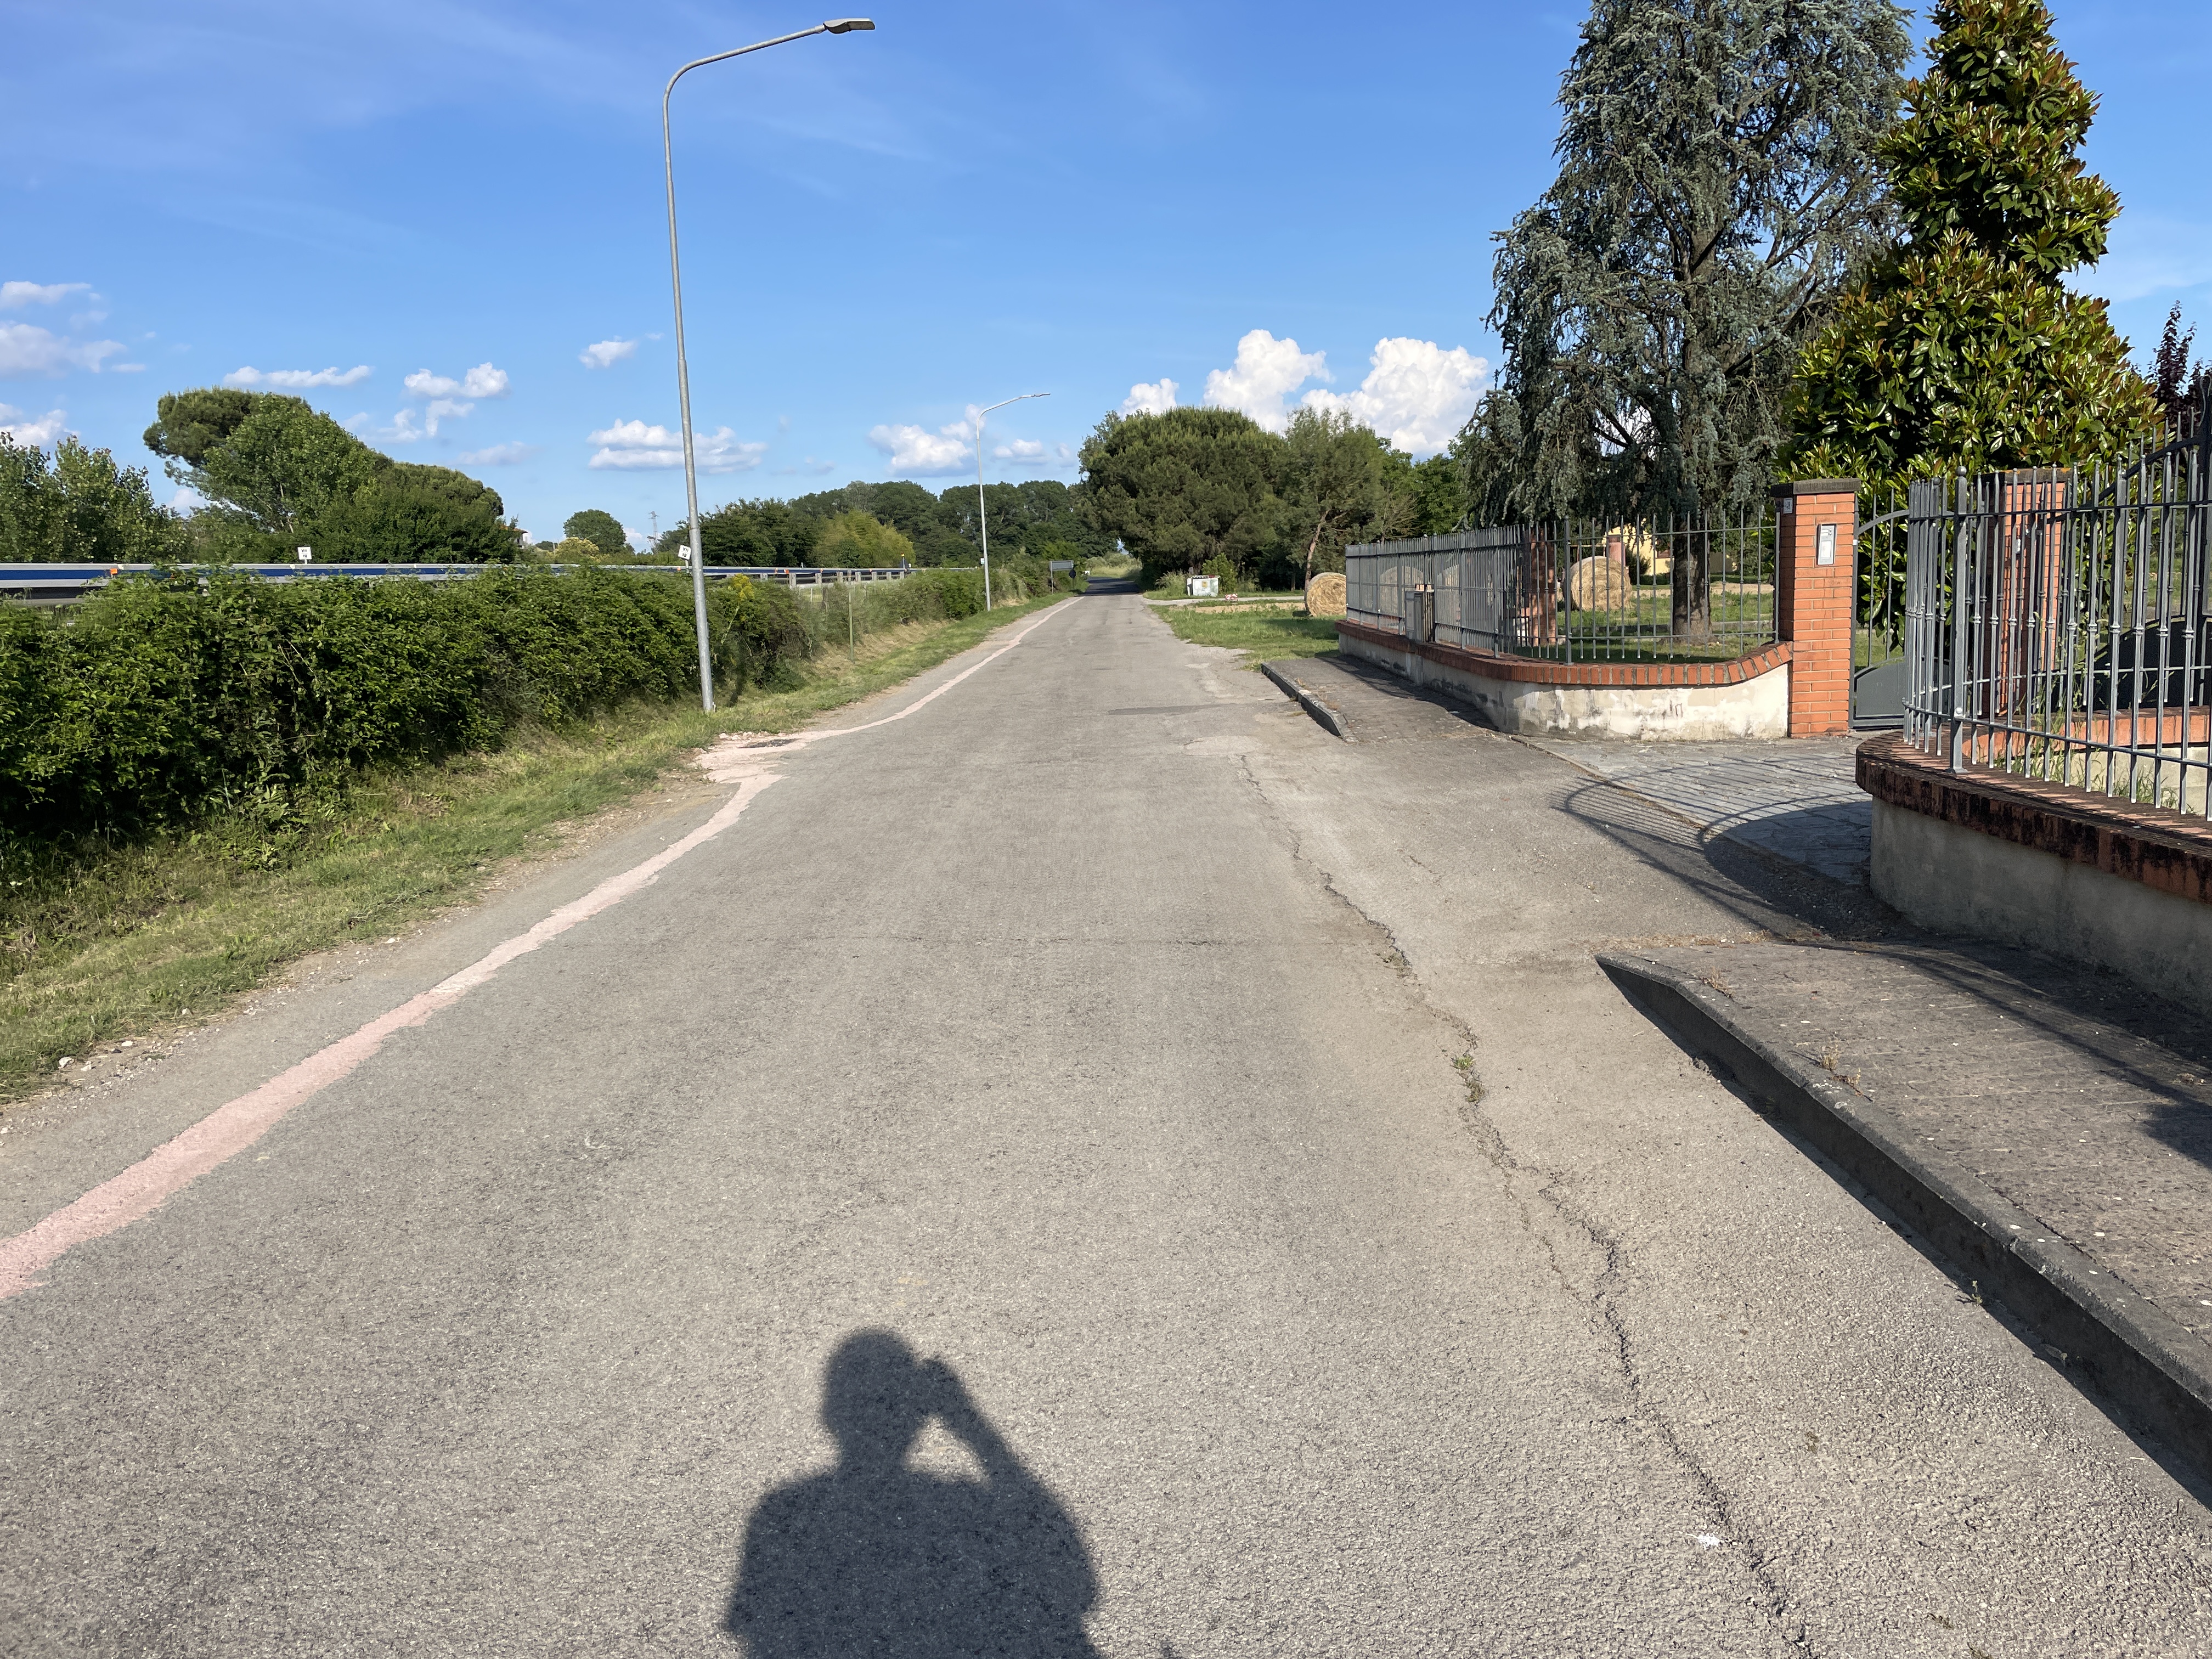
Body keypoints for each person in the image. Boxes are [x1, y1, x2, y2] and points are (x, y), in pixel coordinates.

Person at [727, 1329, 1102, 1658]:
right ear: (920, 1417)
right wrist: (973, 1429)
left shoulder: (781, 1513)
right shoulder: (962, 1508)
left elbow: (754, 1630)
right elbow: (1070, 1582)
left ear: (828, 1416)